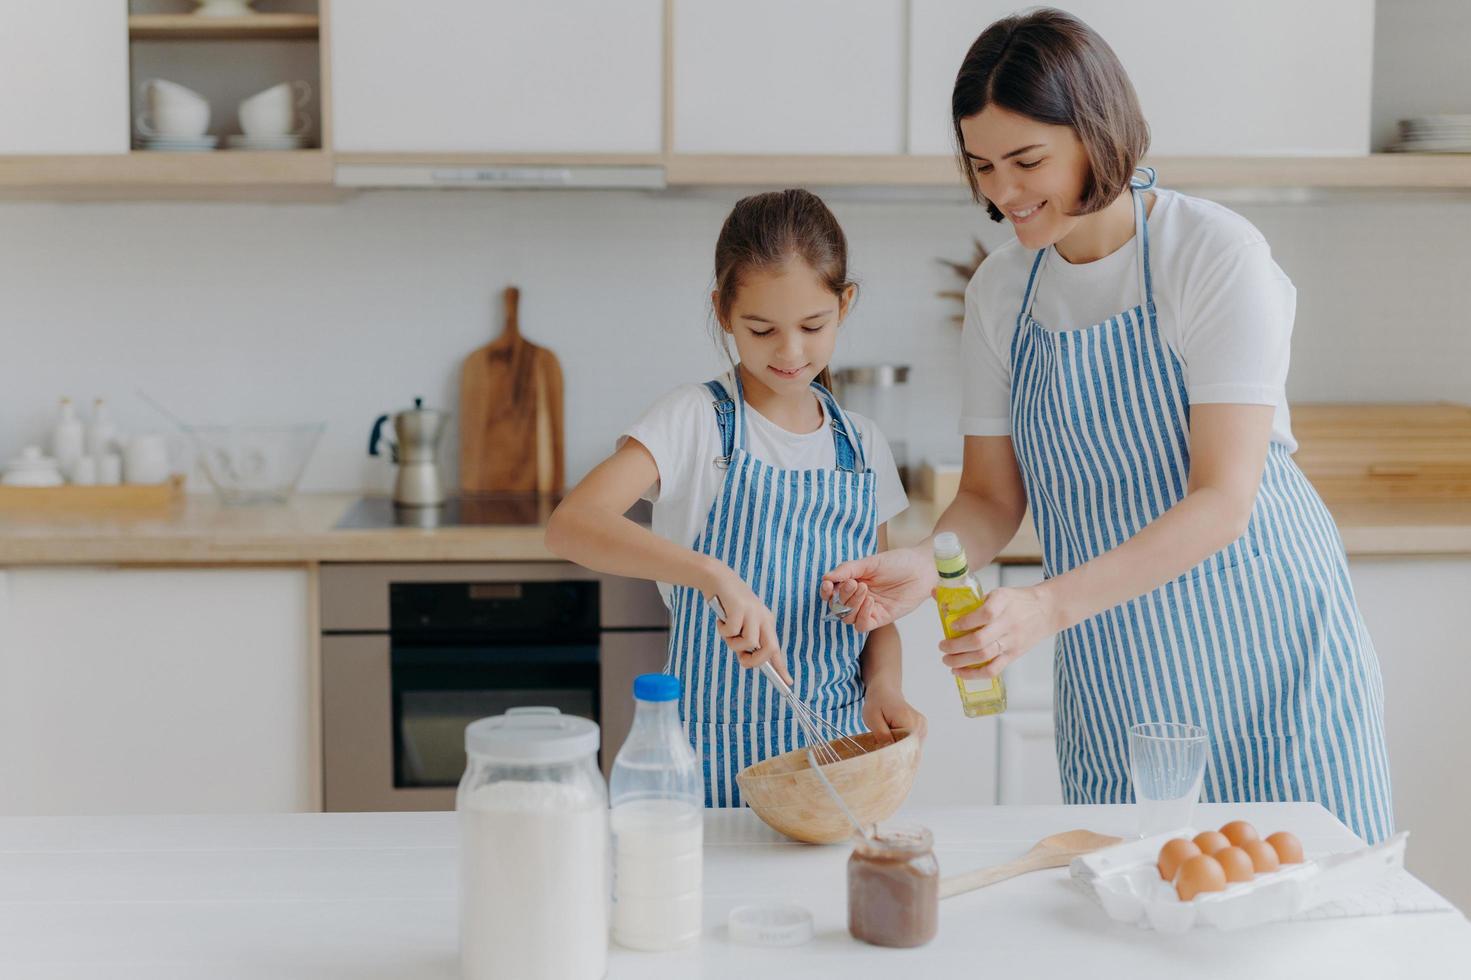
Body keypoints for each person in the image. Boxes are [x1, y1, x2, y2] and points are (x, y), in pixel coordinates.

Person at [822, 9, 1392, 842]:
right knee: (1132, 914)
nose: (1001, 193)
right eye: (981, 165)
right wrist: (922, 562)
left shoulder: (1214, 255)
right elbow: (987, 496)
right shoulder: (1000, 293)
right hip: (1121, 661)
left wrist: (1045, 607)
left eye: (1026, 161)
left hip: (1270, 649)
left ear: (1096, 134)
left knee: (1303, 922)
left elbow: (1222, 499)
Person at [547, 189, 924, 807]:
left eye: (812, 326)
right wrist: (711, 573)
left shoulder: (862, 446)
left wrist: (886, 686)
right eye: (762, 328)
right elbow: (571, 525)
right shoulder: (693, 420)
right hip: (709, 770)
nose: (790, 351)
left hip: (831, 762)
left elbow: (876, 615)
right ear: (723, 311)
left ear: (844, 305)